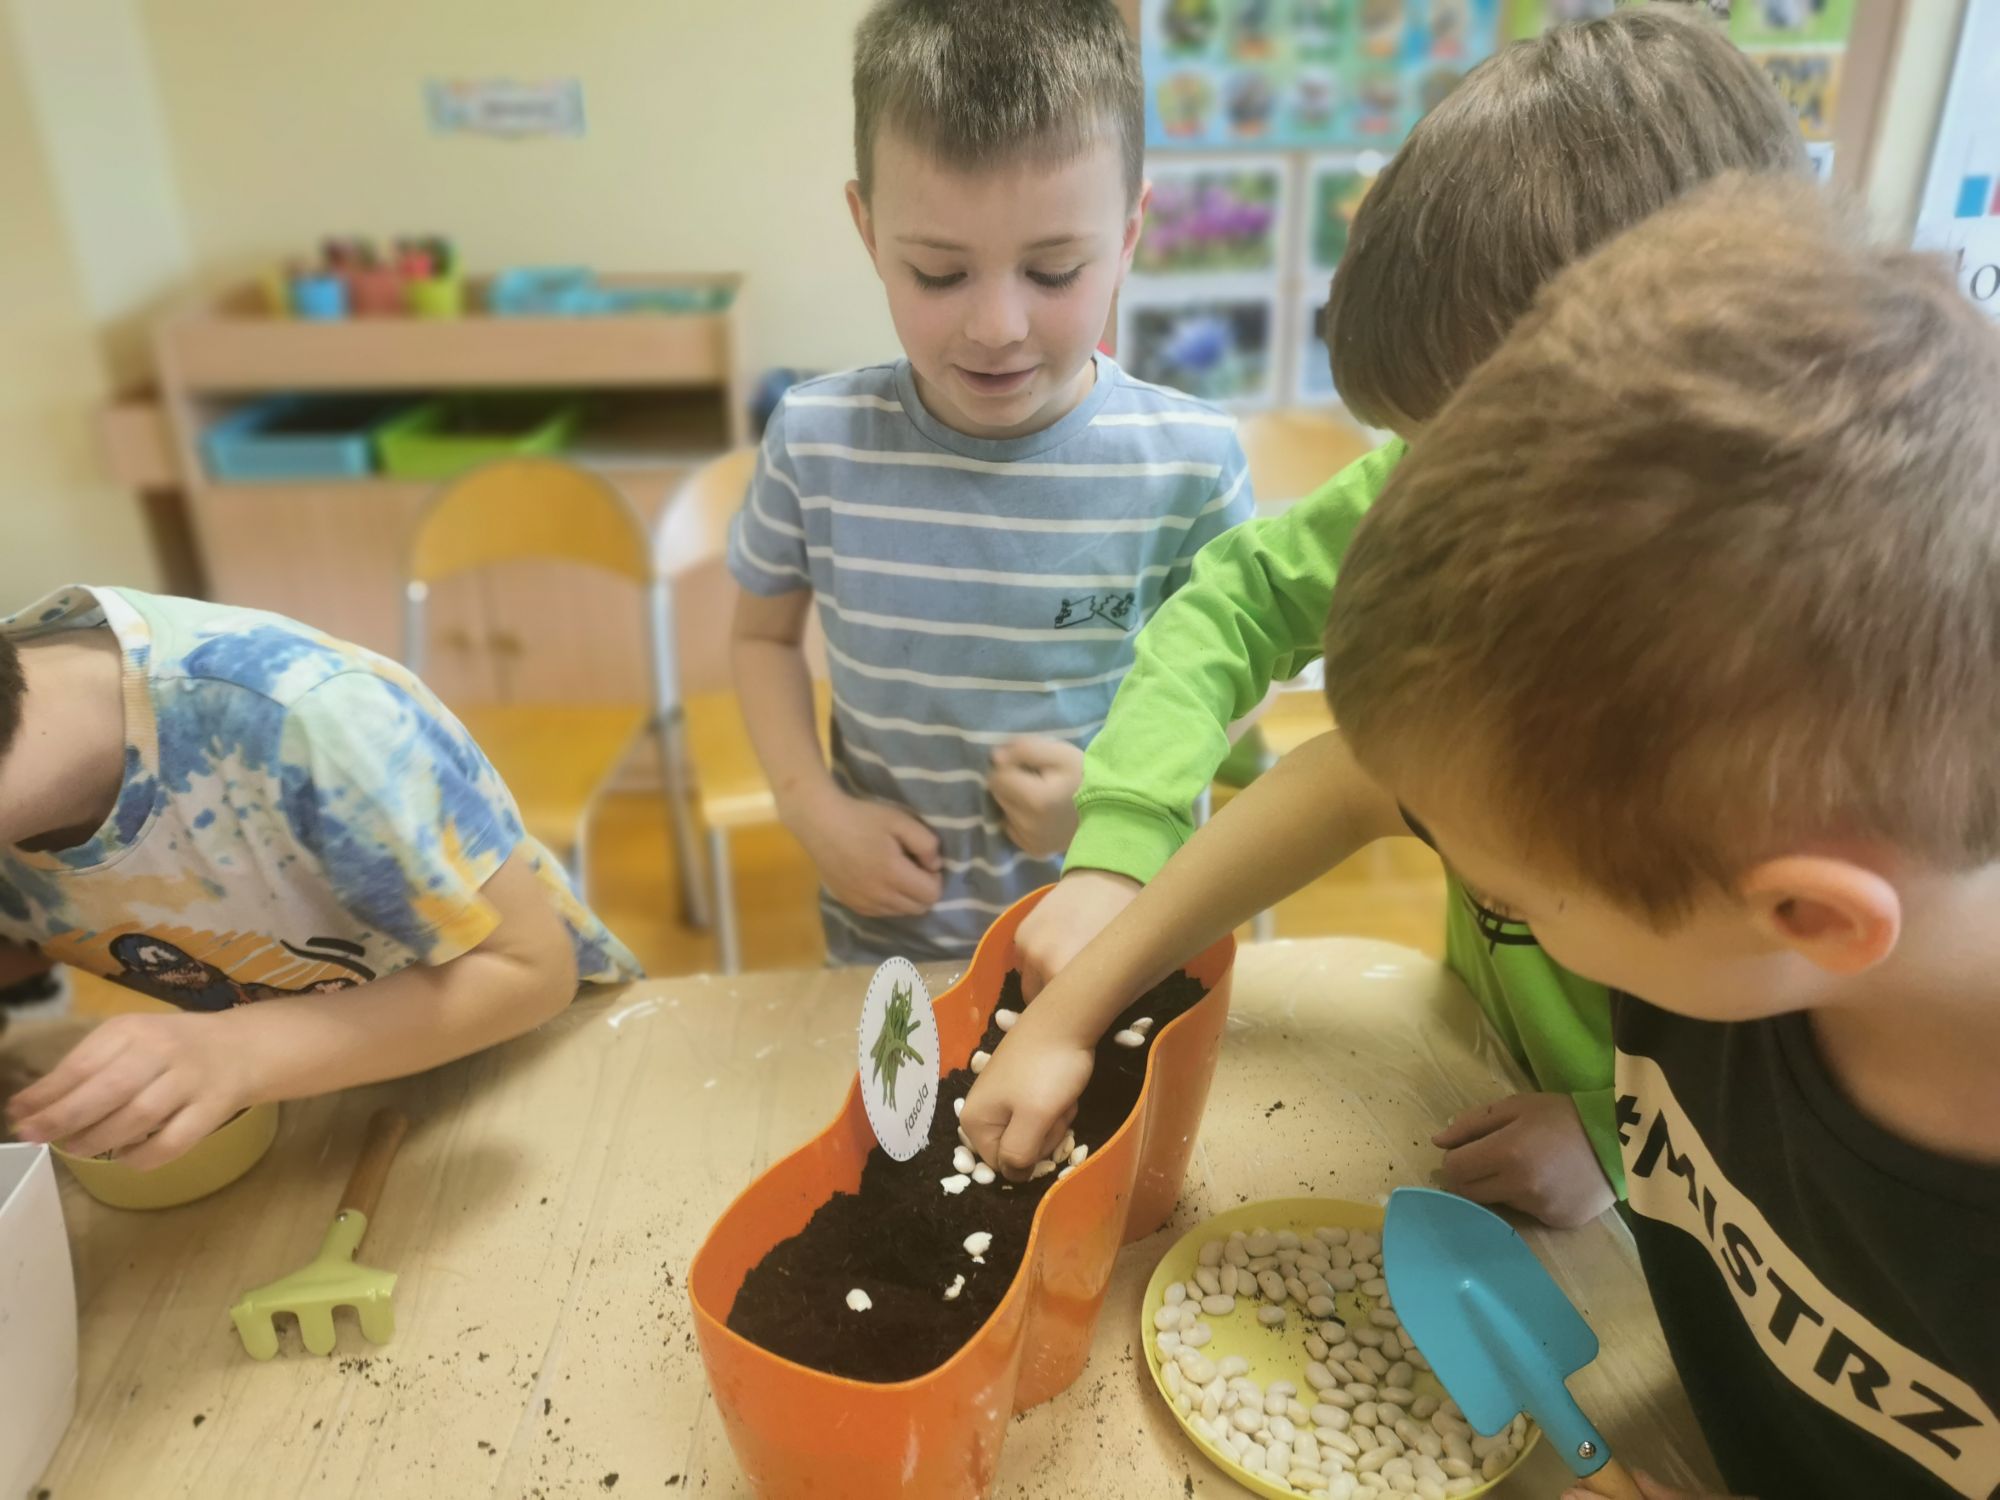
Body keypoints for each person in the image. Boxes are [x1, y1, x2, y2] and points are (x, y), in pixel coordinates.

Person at [994, 177, 2000, 1498]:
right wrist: (1077, 1002)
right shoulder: (1720, 892)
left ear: (1806, 916)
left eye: (1512, 894)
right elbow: (1349, 783)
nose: (1474, 885)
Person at [995, 4, 1808, 1225]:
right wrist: (1119, 849)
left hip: (1694, 1194)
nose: (1440, 496)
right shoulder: (1438, 487)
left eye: (1484, 455)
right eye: (1423, 447)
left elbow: (1816, 1053)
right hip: (1487, 1060)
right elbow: (1290, 689)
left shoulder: (1794, 688)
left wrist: (1616, 1139)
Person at [727, 0, 1253, 966]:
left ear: (1129, 233)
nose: (998, 327)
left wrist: (1118, 800)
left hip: (1123, 934)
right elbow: (760, 636)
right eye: (938, 273)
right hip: (893, 940)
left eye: (1054, 271)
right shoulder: (816, 440)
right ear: (867, 228)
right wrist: (813, 811)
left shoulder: (1188, 459)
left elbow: (1241, 675)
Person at [0, 586, 639, 1167]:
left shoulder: (302, 717)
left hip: (538, 1057)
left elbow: (531, 972)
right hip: (315, 1086)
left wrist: (237, 1051)